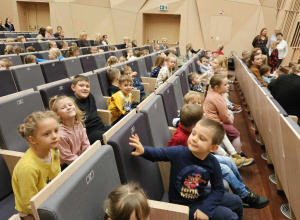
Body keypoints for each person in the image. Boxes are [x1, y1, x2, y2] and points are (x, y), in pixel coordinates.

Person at [129, 118, 243, 220]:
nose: (194, 139)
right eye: (193, 134)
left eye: (201, 138)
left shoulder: (213, 162)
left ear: (213, 148)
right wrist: (143, 150)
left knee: (237, 201)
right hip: (182, 205)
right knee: (228, 216)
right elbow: (158, 153)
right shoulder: (178, 152)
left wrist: (205, 209)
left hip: (200, 196)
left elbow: (218, 189)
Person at [167, 104, 268, 209]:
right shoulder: (179, 137)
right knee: (225, 169)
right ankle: (245, 195)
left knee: (228, 160)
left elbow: (177, 121)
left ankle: (242, 190)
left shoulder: (190, 130)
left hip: (201, 158)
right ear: (195, 124)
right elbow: (172, 153)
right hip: (194, 166)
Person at [12, 111, 61, 219]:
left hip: (51, 200)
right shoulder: (28, 168)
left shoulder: (54, 151)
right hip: (33, 213)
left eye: (56, 131)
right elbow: (30, 205)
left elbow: (58, 177)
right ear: (32, 140)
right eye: (47, 134)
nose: (54, 136)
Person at [204, 75, 244, 154]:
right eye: (225, 85)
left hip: (211, 120)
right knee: (235, 133)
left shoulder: (212, 93)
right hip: (215, 123)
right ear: (216, 88)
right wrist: (230, 122)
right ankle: (238, 154)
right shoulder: (217, 98)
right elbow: (224, 117)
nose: (228, 86)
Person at [49, 96, 90, 169]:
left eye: (70, 105)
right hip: (65, 165)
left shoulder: (78, 123)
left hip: (78, 158)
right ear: (57, 115)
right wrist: (84, 163)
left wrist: (89, 154)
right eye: (63, 108)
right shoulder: (60, 134)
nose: (68, 108)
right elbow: (67, 157)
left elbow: (85, 143)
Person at [71, 75, 111, 144]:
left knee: (119, 131)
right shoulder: (71, 103)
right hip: (89, 132)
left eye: (87, 86)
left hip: (100, 125)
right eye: (81, 86)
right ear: (73, 87)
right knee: (110, 138)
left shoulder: (90, 96)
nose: (85, 88)